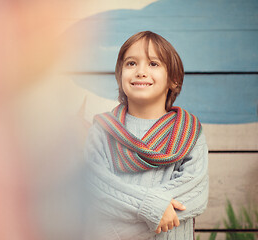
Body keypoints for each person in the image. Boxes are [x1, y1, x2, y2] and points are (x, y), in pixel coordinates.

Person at [83, 31, 209, 240]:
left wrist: (116, 232)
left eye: (153, 64)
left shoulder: (189, 132)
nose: (141, 71)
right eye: (131, 63)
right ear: (119, 75)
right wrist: (151, 206)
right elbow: (97, 187)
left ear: (174, 80)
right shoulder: (104, 130)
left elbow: (194, 193)